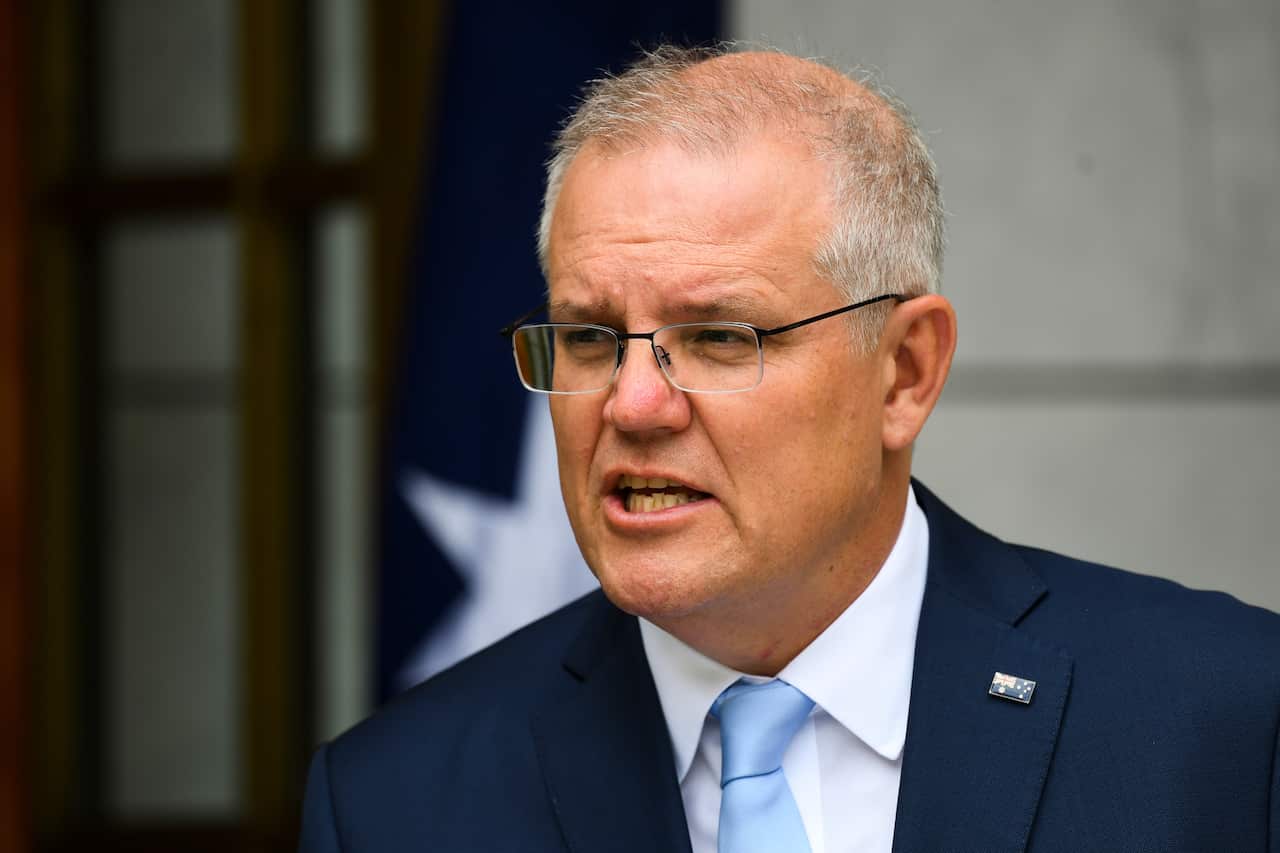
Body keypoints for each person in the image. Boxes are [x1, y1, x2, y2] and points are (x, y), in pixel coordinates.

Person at [299, 46, 1280, 853]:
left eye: (719, 337)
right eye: (590, 338)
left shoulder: (1224, 721)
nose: (632, 404)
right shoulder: (392, 802)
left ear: (903, 372)